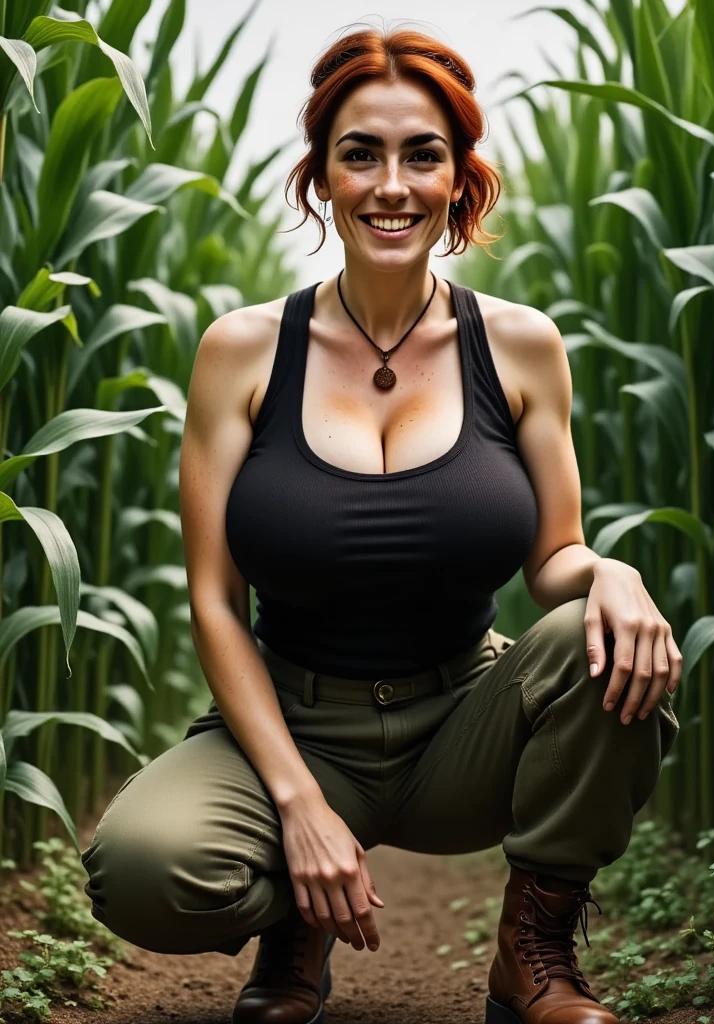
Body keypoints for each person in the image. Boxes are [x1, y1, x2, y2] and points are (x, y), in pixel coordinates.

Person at [80, 23, 681, 1024]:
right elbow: (214, 599)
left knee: (607, 643)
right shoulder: (242, 353)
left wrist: (609, 572)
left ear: (459, 178)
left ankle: (530, 952)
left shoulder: (521, 347)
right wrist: (298, 802)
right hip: (294, 721)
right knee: (143, 869)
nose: (390, 183)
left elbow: (553, 558)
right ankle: (293, 920)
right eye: (360, 152)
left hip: (463, 720)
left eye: (422, 154)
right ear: (320, 174)